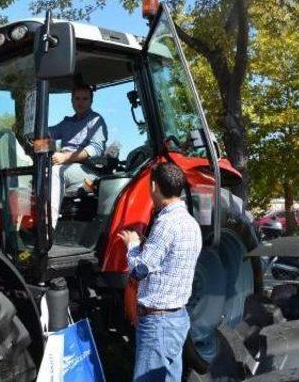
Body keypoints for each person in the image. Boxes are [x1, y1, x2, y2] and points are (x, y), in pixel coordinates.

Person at [118, 162, 202, 381]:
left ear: (154, 186)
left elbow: (140, 270)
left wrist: (133, 244)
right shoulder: (191, 224)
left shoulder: (166, 224)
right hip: (178, 318)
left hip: (158, 324)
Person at [49, 85, 107, 227]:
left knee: (56, 172)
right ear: (72, 100)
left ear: (91, 101)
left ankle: (47, 227)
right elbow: (46, 133)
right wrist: (34, 136)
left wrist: (65, 157)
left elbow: (95, 149)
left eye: (85, 99)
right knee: (37, 173)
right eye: (77, 98)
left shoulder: (96, 121)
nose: (80, 102)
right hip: (65, 165)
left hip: (89, 173)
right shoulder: (67, 122)